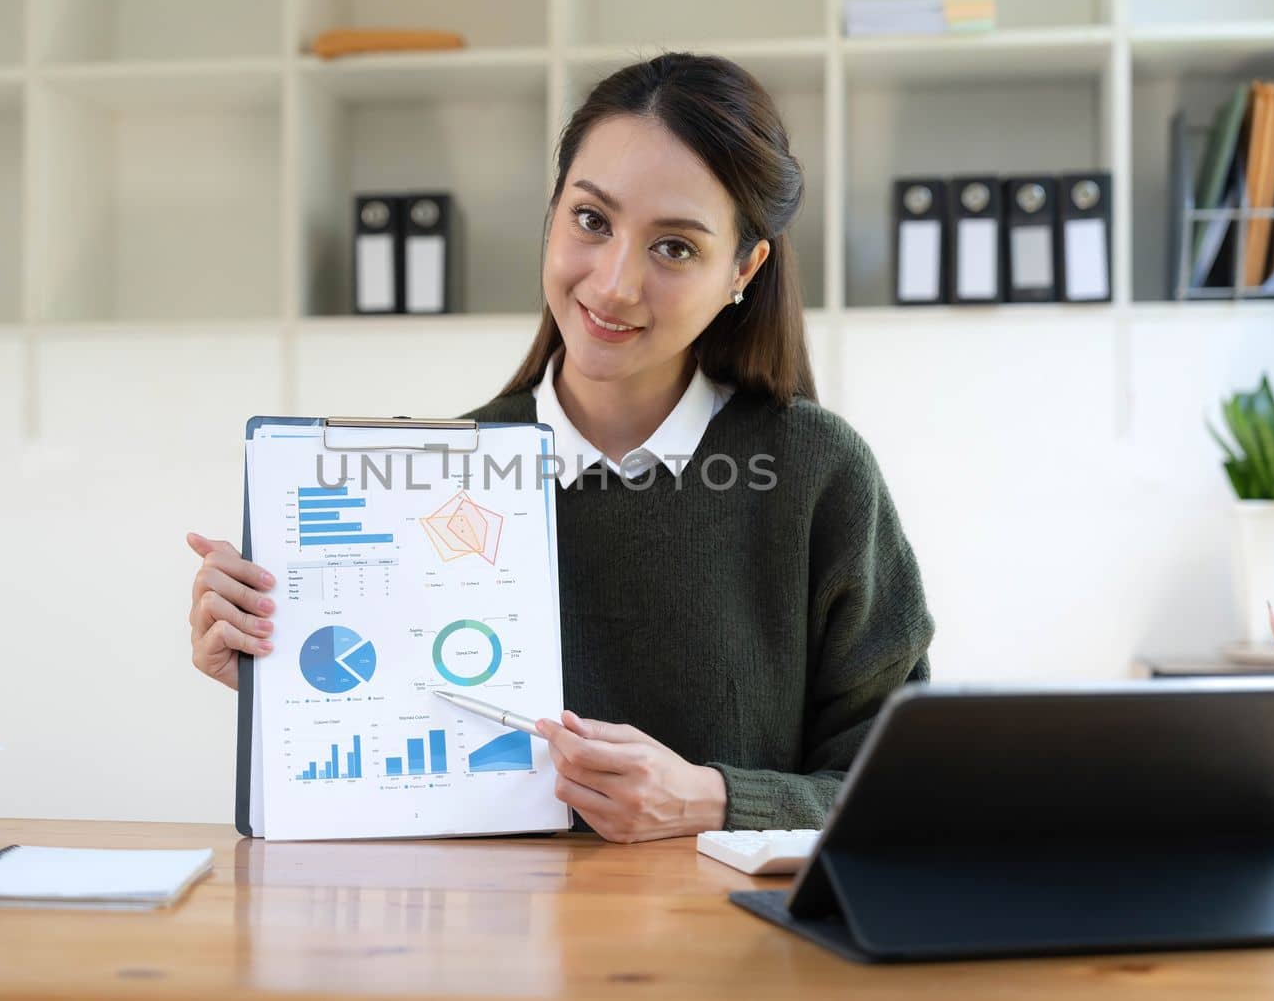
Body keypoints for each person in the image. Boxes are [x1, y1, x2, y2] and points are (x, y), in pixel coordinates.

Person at [187, 52, 933, 844]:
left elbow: (912, 791)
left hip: (730, 954)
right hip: (488, 945)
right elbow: (393, 780)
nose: (613, 284)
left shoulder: (817, 475)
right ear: (553, 216)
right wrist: (285, 675)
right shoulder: (428, 479)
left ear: (743, 269)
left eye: (675, 247)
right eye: (591, 220)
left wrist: (712, 799)